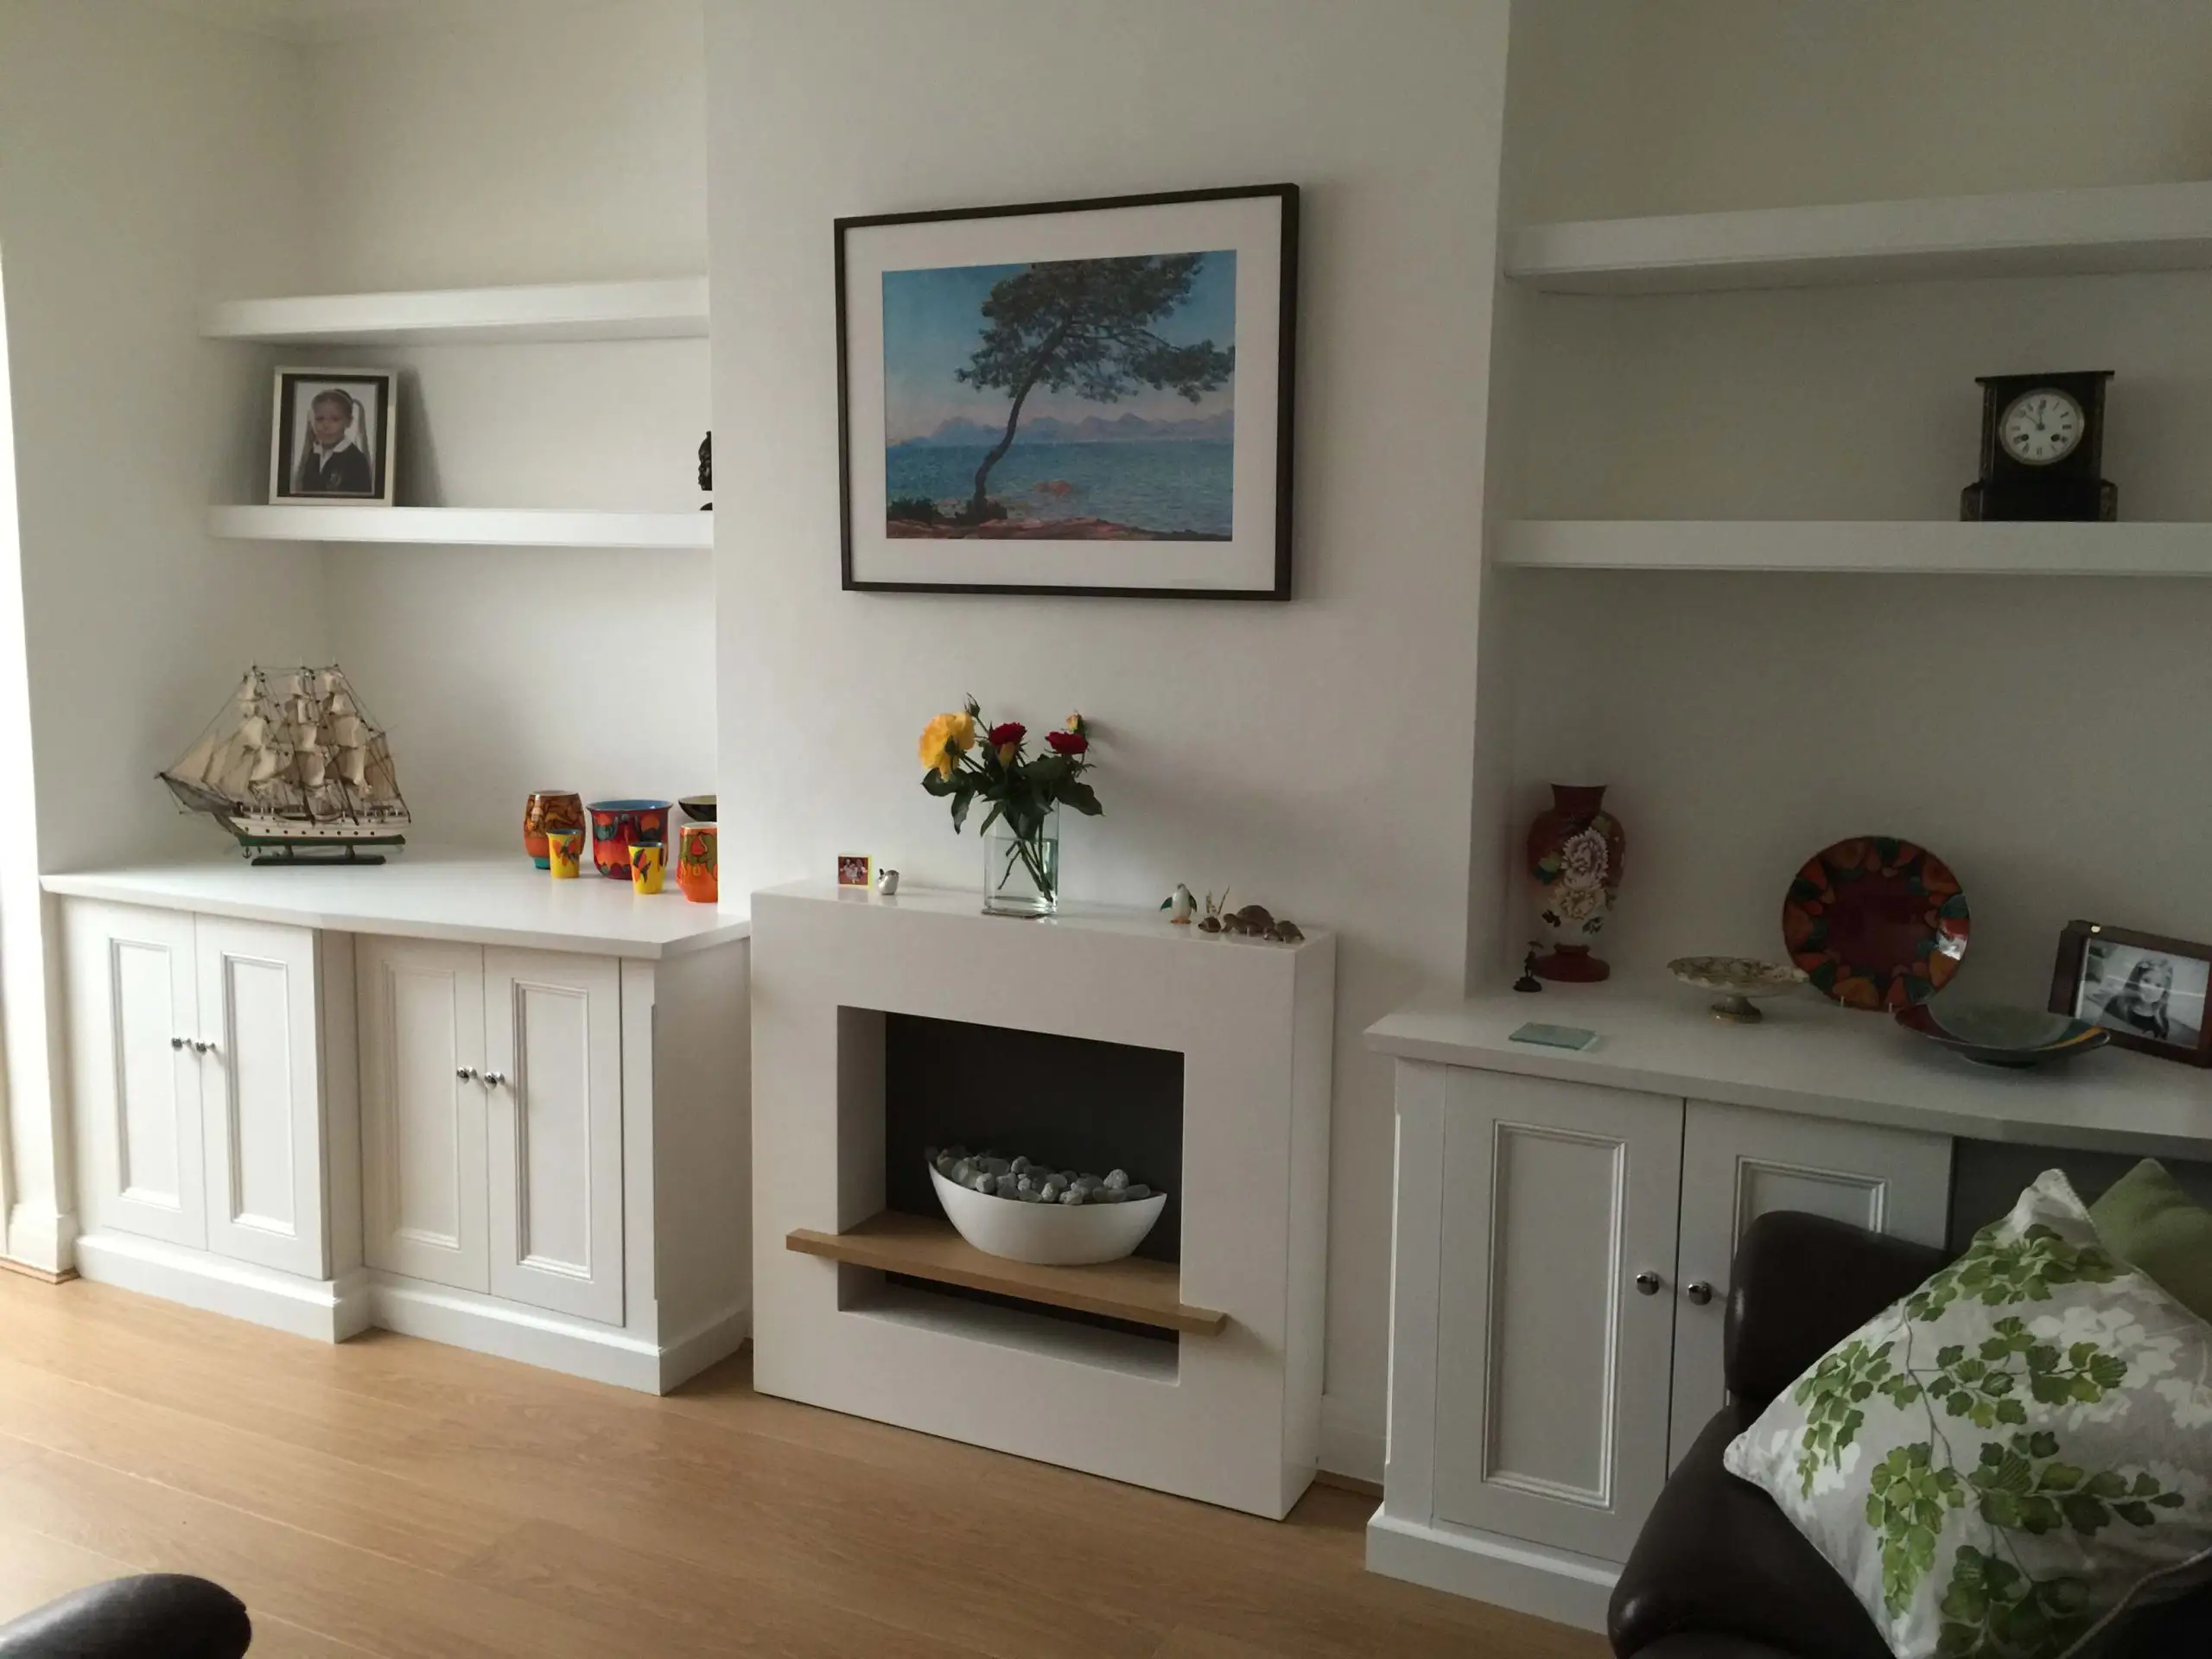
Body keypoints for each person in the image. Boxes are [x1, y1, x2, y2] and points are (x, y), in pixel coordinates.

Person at [293, 389, 373, 495]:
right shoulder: (312, 455)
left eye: (335, 419)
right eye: (320, 419)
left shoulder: (356, 460)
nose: (326, 425)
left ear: (348, 422)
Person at [2094, 955, 2174, 1043]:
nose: (2151, 989)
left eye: (2158, 985)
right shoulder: (2117, 1003)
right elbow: (2098, 1036)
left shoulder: (2162, 1022)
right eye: (2146, 980)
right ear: (2136, 980)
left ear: (2165, 990)